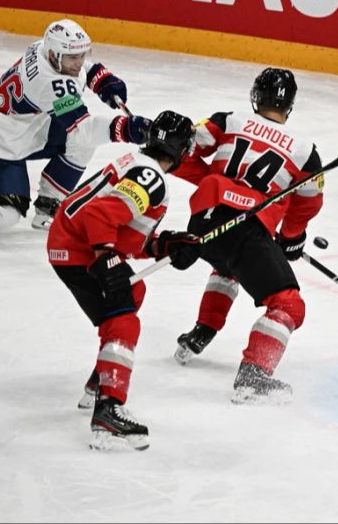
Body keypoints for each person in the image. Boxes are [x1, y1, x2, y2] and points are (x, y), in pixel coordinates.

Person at [47, 110, 200, 450]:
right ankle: (109, 408)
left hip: (71, 240)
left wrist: (164, 244)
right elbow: (100, 216)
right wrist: (106, 257)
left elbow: (122, 227)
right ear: (182, 150)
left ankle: (100, 377)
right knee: (124, 320)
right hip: (79, 247)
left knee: (134, 290)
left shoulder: (136, 163)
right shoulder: (151, 177)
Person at [169, 67, 324, 403]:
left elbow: (181, 150)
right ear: (290, 105)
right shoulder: (305, 151)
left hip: (204, 221)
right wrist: (291, 237)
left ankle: (201, 332)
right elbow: (307, 203)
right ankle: (254, 376)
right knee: (289, 305)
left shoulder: (228, 120)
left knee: (227, 266)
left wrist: (215, 182)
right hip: (248, 226)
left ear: (256, 97)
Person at [0, 18, 151, 231]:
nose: (78, 62)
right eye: (73, 58)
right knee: (7, 214)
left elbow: (80, 66)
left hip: (21, 129)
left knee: (80, 144)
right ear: (54, 55)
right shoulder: (50, 84)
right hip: (1, 144)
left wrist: (101, 78)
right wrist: (125, 128)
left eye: (81, 55)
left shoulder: (42, 49)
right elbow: (84, 131)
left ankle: (47, 206)